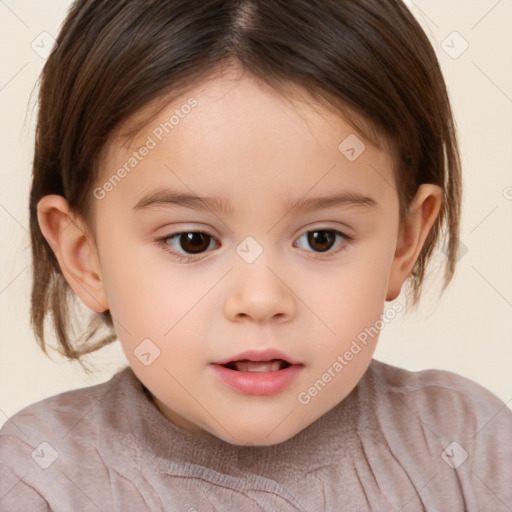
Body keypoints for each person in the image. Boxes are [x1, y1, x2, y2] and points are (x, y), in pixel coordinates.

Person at [1, 0, 510, 510]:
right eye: (192, 241)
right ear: (85, 256)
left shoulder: (469, 448)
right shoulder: (39, 479)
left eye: (321, 238)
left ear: (405, 242)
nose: (261, 299)